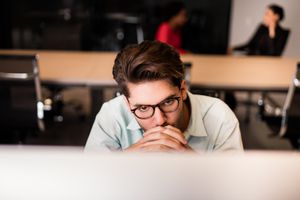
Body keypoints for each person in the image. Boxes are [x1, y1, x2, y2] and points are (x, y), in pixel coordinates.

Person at [85, 40, 243, 153]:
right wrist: (129, 159)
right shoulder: (112, 114)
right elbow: (89, 182)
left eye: (168, 102)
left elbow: (235, 188)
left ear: (182, 90)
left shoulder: (220, 117)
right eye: (143, 108)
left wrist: (193, 164)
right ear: (127, 103)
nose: (160, 120)